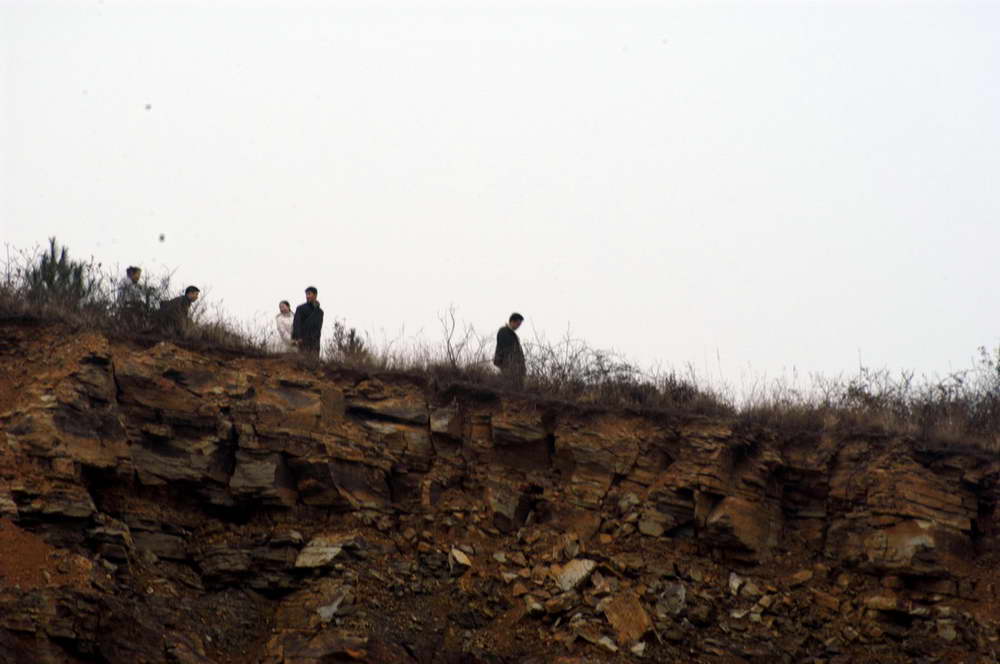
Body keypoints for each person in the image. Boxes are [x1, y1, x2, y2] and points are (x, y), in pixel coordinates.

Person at [494, 312, 526, 389]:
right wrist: (506, 364)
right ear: (512, 321)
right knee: (509, 387)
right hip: (509, 366)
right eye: (518, 324)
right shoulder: (504, 331)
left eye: (520, 325)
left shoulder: (512, 334)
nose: (518, 326)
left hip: (516, 367)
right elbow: (503, 349)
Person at [292, 286, 324, 356]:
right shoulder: (300, 308)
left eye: (309, 294)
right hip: (303, 340)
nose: (307, 296)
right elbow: (296, 324)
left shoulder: (320, 312)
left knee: (314, 362)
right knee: (302, 361)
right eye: (306, 294)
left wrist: (316, 338)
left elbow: (319, 327)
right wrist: (298, 337)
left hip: (315, 341)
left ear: (315, 295)